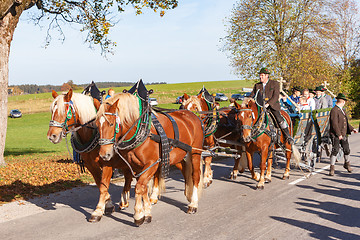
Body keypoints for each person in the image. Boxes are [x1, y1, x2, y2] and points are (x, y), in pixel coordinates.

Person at [250, 67, 294, 144]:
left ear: (267, 75)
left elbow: (276, 96)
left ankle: (288, 136)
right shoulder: (257, 85)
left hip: (272, 106)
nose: (260, 77)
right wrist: (246, 101)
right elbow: (252, 95)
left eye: (262, 75)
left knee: (279, 119)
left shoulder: (275, 84)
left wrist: (268, 104)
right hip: (260, 107)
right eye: (260, 75)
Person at [328, 93, 358, 176]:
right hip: (336, 134)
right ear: (343, 101)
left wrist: (352, 129)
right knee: (335, 150)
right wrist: (338, 134)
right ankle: (332, 168)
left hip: (343, 133)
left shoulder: (342, 110)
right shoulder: (334, 110)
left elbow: (346, 123)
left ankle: (347, 164)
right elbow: (334, 124)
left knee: (347, 149)